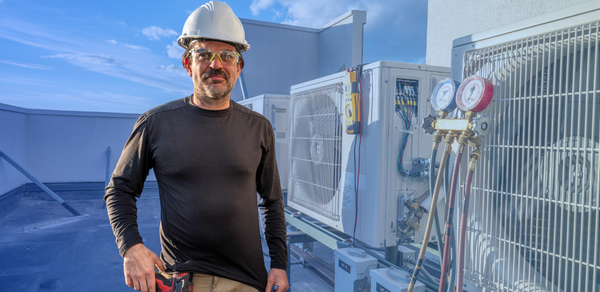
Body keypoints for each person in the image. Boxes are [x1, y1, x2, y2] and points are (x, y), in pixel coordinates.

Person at [104, 2, 289, 292]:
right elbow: (119, 189)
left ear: (238, 67)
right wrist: (130, 247)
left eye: (226, 55)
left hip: (247, 281)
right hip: (181, 279)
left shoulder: (259, 127)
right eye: (204, 54)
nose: (215, 64)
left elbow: (272, 202)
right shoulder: (155, 123)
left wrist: (279, 264)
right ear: (188, 64)